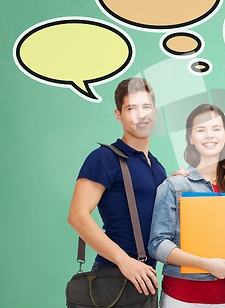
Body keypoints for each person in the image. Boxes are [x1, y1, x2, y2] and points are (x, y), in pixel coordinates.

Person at [68, 77, 167, 296]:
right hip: (112, 275)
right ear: (118, 115)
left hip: (146, 279)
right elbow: (77, 215)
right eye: (131, 108)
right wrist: (124, 261)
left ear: (155, 112)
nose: (141, 115)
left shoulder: (158, 167)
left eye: (146, 107)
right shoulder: (104, 158)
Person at [148, 104, 225, 308]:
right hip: (180, 298)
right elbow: (157, 244)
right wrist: (206, 264)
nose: (209, 135)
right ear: (191, 138)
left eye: (216, 129)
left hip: (223, 300)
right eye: (201, 129)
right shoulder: (175, 185)